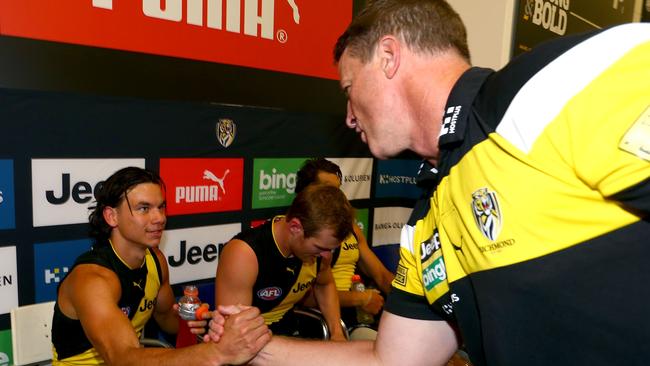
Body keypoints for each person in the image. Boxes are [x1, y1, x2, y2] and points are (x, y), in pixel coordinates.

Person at [210, 1, 650, 365]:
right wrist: (250, 346)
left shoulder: (549, 89)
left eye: (349, 88)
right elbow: (392, 361)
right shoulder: (427, 221)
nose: (348, 115)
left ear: (388, 56)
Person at [51, 167, 270, 366]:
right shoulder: (91, 279)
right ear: (111, 216)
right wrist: (216, 352)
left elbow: (167, 320)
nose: (159, 218)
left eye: (161, 207)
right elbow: (122, 357)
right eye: (144, 208)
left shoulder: (155, 260)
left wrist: (192, 318)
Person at [214, 184, 354, 341]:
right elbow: (235, 337)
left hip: (290, 331)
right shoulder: (244, 253)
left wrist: (336, 333)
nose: (326, 255)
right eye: (320, 247)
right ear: (295, 227)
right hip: (251, 341)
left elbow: (325, 284)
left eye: (331, 249)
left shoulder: (320, 250)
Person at [295, 158, 393, 332]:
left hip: (358, 315)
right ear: (307, 193)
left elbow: (381, 275)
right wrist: (360, 299)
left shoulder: (350, 227)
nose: (336, 197)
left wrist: (415, 303)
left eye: (338, 190)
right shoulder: (299, 233)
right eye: (328, 189)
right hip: (321, 319)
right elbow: (302, 296)